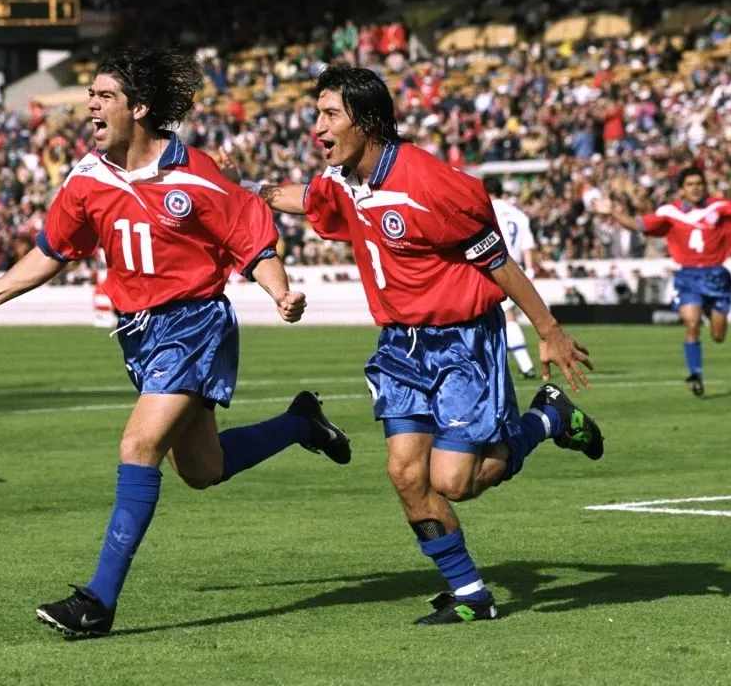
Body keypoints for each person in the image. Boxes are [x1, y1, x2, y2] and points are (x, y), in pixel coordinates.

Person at [0, 46, 352, 639]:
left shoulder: (196, 174)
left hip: (193, 326)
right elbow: (51, 253)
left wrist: (279, 292)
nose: (91, 105)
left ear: (141, 108)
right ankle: (303, 423)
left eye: (104, 96)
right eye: (92, 95)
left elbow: (252, 239)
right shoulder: (86, 177)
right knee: (204, 470)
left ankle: (97, 603)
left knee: (137, 445)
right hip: (139, 336)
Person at [228, 66, 603, 625]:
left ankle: (548, 418)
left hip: (463, 344)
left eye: (330, 115)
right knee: (406, 474)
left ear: (369, 120)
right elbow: (306, 197)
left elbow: (497, 262)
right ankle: (472, 594)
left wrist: (548, 330)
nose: (318, 128)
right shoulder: (342, 179)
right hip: (400, 347)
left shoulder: (432, 184)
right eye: (316, 115)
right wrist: (246, 191)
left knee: (456, 482)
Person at [600, 167, 731, 396]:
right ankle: (695, 374)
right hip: (688, 277)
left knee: (718, 335)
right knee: (691, 323)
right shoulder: (670, 212)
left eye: (699, 183)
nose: (695, 188)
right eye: (690, 184)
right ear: (682, 190)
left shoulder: (718, 207)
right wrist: (612, 211)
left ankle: (709, 312)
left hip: (716, 277)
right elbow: (639, 225)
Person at [483, 176, 538, 379]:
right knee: (502, 318)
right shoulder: (519, 215)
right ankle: (503, 364)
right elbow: (528, 247)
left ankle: (525, 365)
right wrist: (530, 272)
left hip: (496, 269)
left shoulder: (487, 211)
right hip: (518, 271)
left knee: (505, 317)